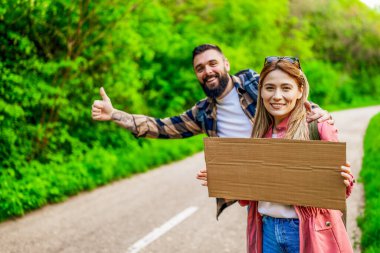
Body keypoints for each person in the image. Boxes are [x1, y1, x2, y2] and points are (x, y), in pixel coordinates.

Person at [91, 44, 332, 218]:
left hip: (291, 175)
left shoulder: (253, 86)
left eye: (212, 63)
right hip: (254, 188)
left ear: (226, 64)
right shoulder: (203, 112)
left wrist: (318, 111)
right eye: (200, 68)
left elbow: (287, 91)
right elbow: (161, 127)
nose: (207, 71)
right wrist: (114, 114)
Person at [197, 57, 355, 253]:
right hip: (267, 230)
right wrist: (224, 179)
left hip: (307, 230)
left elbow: (341, 192)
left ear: (300, 91)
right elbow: (250, 195)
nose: (277, 96)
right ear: (261, 91)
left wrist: (345, 180)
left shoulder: (318, 126)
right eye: (270, 88)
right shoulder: (260, 133)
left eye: (286, 88)